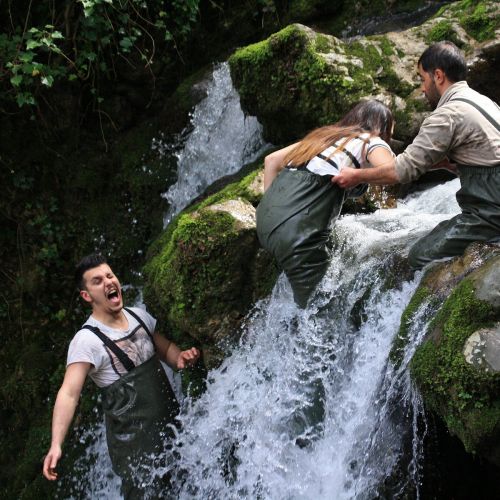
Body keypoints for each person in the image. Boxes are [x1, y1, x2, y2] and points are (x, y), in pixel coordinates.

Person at [42, 254, 200, 499]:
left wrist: (180, 358)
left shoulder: (138, 316)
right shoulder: (86, 340)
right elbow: (69, 393)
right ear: (87, 295)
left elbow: (166, 350)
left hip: (173, 434)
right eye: (97, 281)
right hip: (135, 453)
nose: (107, 282)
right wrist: (56, 444)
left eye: (109, 275)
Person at [333, 41, 500, 269]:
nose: (422, 89)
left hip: (491, 212)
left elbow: (401, 172)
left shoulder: (446, 115)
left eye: (422, 79)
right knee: (438, 232)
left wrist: (356, 176)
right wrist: (450, 164)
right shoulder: (483, 101)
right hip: (491, 198)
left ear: (438, 76)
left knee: (419, 255)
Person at [256, 99, 395, 308]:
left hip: (265, 222)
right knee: (318, 308)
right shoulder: (370, 141)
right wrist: (359, 175)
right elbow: (393, 171)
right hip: (296, 235)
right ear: (382, 127)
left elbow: (272, 160)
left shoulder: (323, 137)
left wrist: (274, 211)